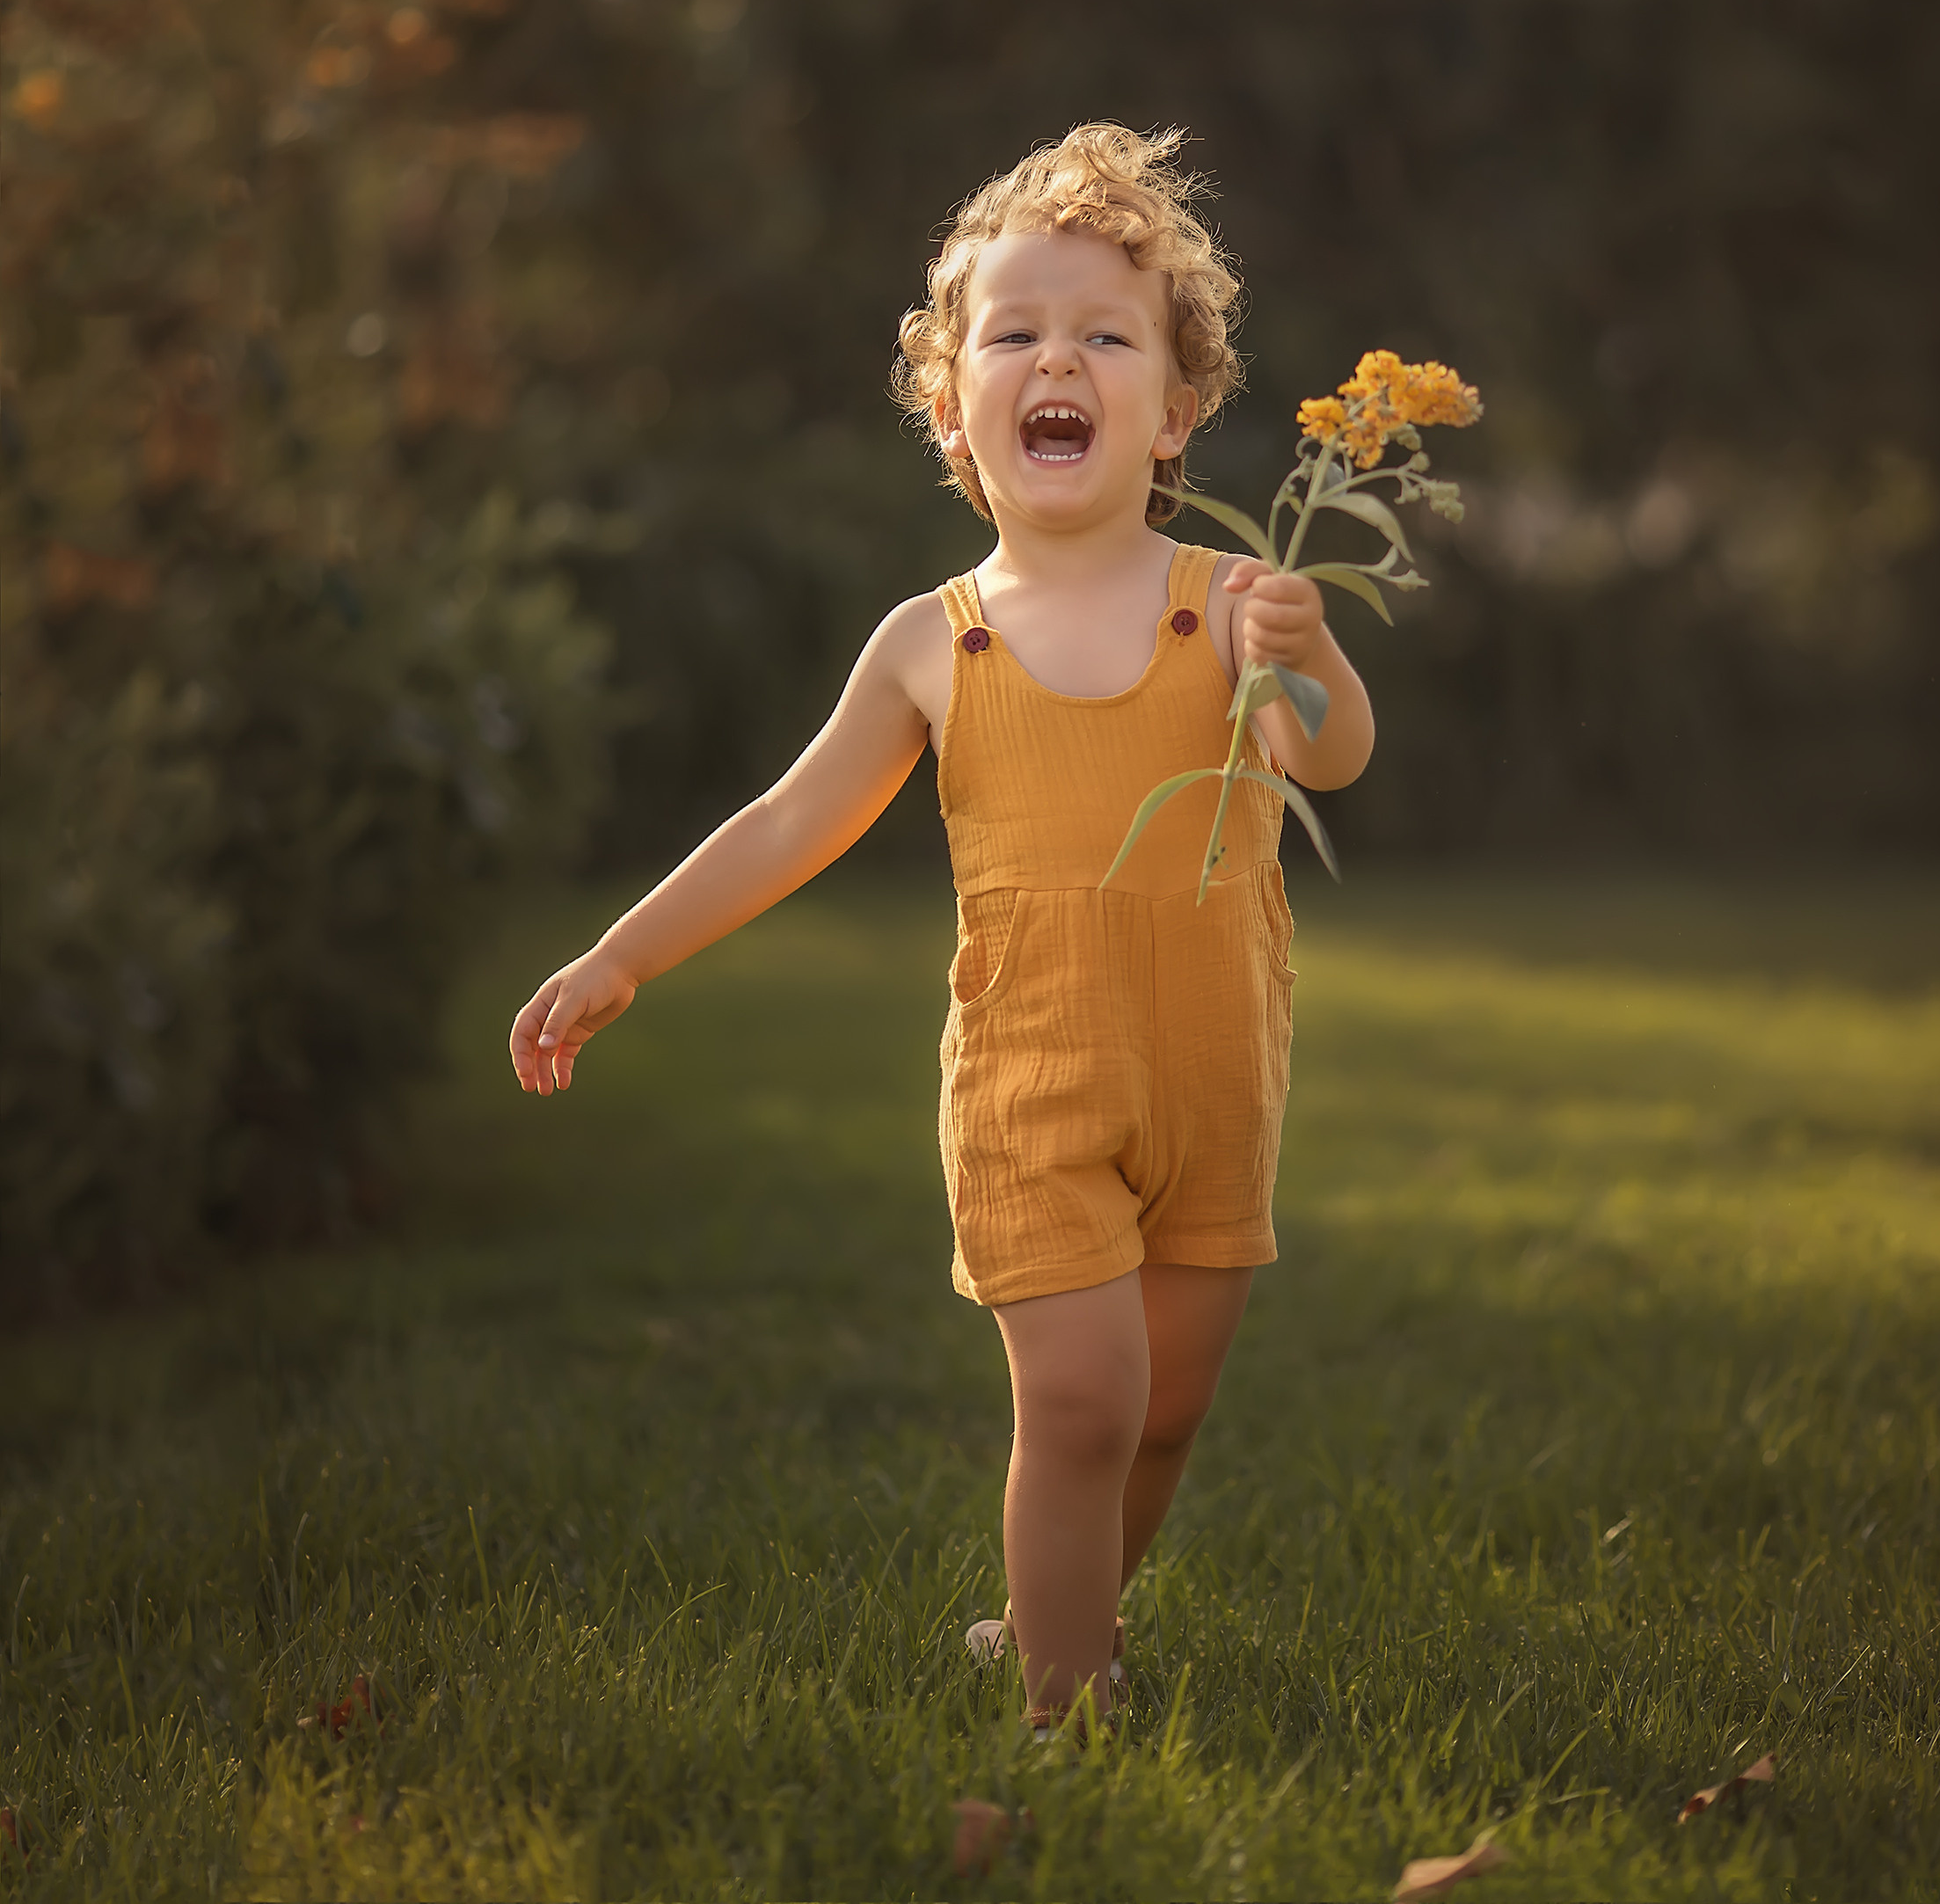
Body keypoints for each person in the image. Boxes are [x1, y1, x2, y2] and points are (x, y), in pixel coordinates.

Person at [508, 123, 1375, 1735]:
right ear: (955, 411)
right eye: (1017, 334)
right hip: (1034, 1089)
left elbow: (1325, 756)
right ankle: (1070, 1704)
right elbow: (788, 819)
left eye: (1108, 336)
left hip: (1215, 1085)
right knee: (1084, 1397)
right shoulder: (934, 644)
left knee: (1166, 1412)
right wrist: (623, 953)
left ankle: (1060, 1607)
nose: (1062, 358)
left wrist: (1309, 649)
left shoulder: (1230, 598)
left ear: (1174, 410)